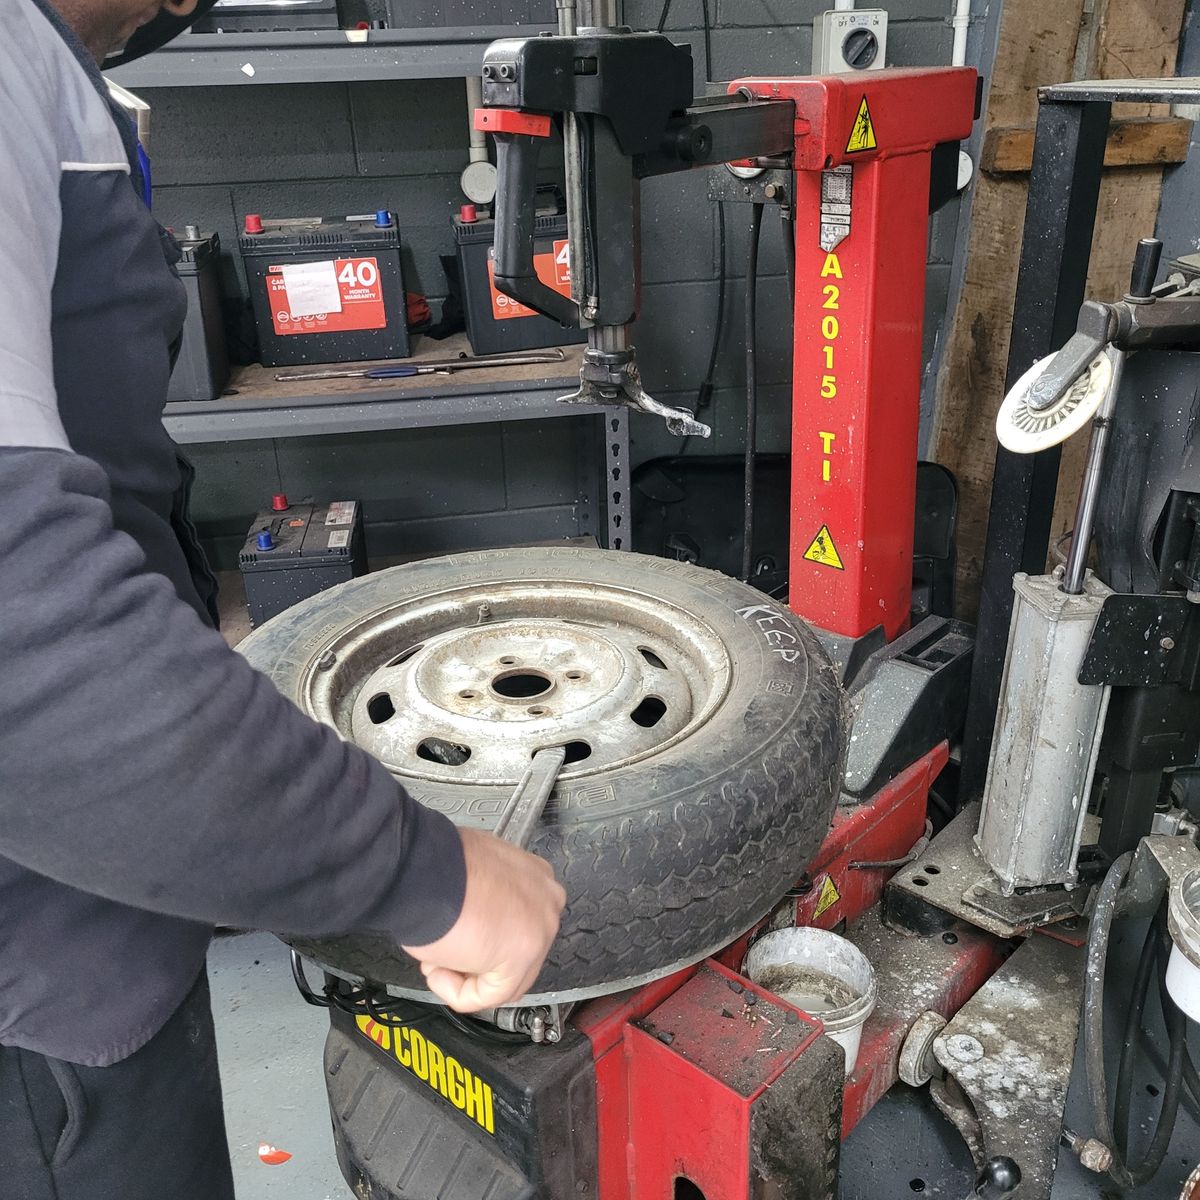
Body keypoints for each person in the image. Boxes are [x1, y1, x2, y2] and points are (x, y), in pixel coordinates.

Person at [0, 1, 566, 1196]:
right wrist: (422, 875)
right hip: (35, 995)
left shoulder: (50, 63)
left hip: (79, 911)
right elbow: (22, 644)